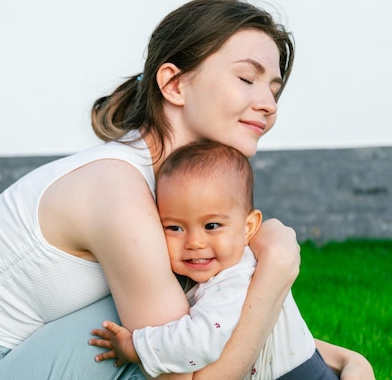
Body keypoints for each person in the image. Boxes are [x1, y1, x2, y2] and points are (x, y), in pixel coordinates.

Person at [0, 0, 375, 380]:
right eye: (246, 78)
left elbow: (212, 317)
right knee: (148, 343)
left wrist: (343, 359)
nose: (268, 104)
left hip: (34, 357)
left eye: (273, 88)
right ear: (173, 84)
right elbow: (190, 369)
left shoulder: (178, 188)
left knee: (212, 268)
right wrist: (276, 269)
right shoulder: (118, 191)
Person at [90, 140, 341, 379]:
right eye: (175, 228)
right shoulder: (220, 271)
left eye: (211, 225)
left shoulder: (232, 281)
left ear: (248, 227)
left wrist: (134, 347)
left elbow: (199, 344)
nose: (194, 242)